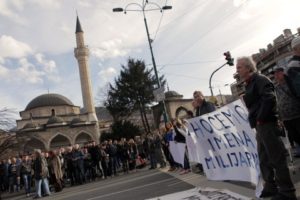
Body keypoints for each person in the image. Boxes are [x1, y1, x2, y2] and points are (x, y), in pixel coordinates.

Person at [236, 56, 297, 200]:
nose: (237, 70)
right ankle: (271, 186)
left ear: (248, 67)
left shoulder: (261, 79)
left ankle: (287, 192)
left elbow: (269, 98)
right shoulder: (250, 83)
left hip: (267, 124)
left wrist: (260, 118)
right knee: (263, 159)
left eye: (239, 67)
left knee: (277, 158)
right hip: (261, 126)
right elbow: (257, 102)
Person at [273, 66, 300, 152]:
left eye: (278, 73)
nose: (276, 75)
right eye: (275, 74)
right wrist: (280, 117)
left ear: (283, 73)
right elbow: (278, 101)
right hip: (286, 118)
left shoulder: (291, 82)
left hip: (297, 115)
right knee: (295, 137)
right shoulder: (276, 88)